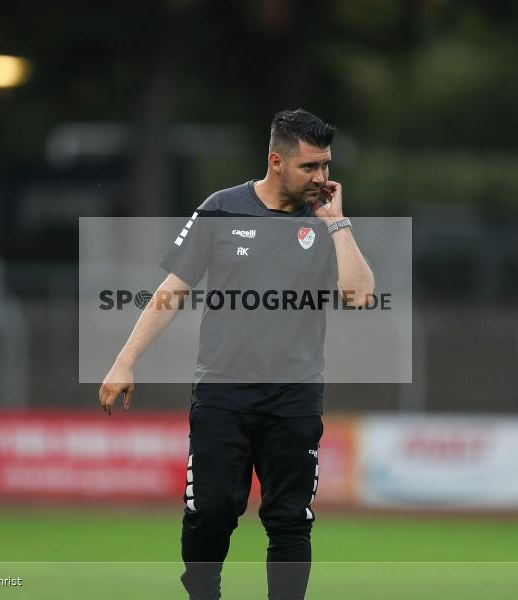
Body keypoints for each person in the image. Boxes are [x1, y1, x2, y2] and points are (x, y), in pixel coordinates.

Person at [98, 109, 374, 600]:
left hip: (295, 396)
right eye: (310, 167)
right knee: (211, 512)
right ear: (276, 161)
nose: (323, 179)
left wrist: (338, 225)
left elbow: (359, 296)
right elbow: (172, 291)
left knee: (290, 520)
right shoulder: (221, 209)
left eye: (326, 166)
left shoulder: (327, 223)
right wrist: (125, 360)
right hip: (224, 391)